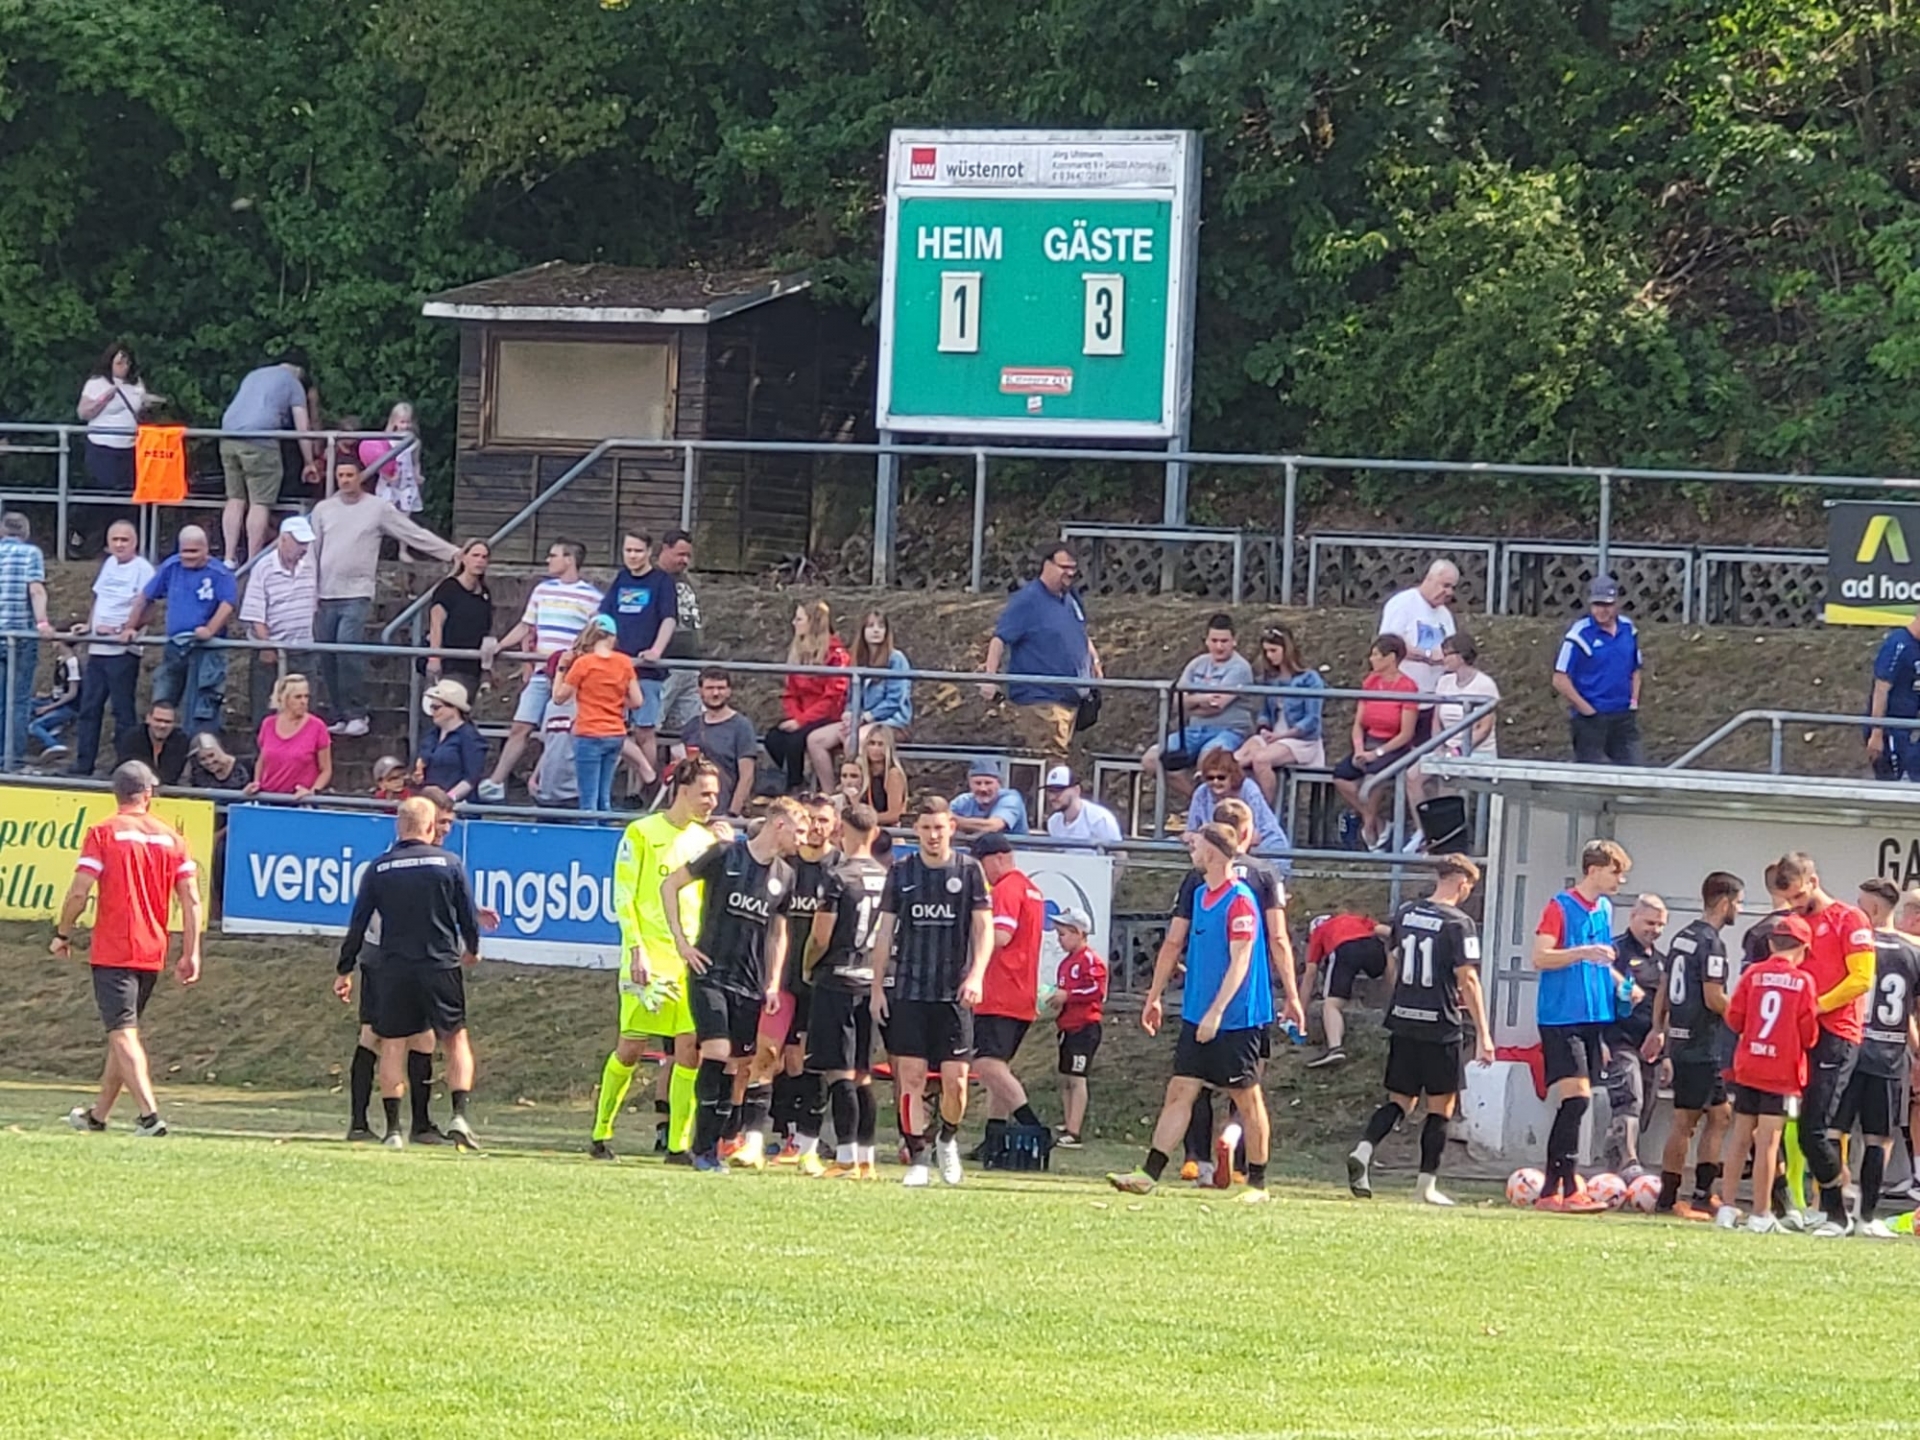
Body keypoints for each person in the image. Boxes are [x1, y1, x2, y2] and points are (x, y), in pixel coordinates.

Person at [1108, 822, 1277, 1204]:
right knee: (1180, 1090)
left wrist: (1217, 1012)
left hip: (1236, 1018)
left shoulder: (1240, 900)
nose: (1191, 850)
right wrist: (1155, 996)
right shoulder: (1200, 894)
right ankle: (1149, 1174)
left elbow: (1241, 962)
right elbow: (1178, 946)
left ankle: (1258, 1185)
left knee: (1246, 1098)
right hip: (1197, 1012)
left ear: (1212, 852)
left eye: (1196, 845)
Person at [53, 761, 202, 1138]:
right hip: (153, 948)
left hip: (114, 947)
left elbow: (79, 892)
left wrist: (63, 932)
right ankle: (98, 1116)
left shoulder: (104, 832)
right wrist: (191, 951)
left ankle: (150, 1116)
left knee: (121, 1032)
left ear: (115, 793)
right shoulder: (172, 838)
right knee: (125, 1032)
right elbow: (191, 899)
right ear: (148, 793)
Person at [661, 796, 804, 1173]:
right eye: (799, 830)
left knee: (737, 1065)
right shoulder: (725, 854)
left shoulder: (786, 876)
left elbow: (779, 933)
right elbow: (670, 885)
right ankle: (702, 1147)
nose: (802, 839)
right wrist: (682, 943)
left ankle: (715, 1143)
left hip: (750, 982)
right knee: (717, 1049)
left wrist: (772, 982)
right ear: (779, 825)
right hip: (710, 972)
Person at [334, 796, 484, 1150]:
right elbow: (466, 914)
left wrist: (344, 968)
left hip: (393, 967)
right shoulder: (449, 863)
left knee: (393, 1043)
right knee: (455, 1039)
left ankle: (392, 1130)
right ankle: (459, 1115)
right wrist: (472, 947)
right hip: (440, 964)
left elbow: (358, 922)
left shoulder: (379, 868)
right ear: (430, 826)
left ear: (398, 826)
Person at [595, 756, 725, 1162]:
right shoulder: (641, 833)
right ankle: (601, 1133)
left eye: (715, 795)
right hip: (648, 956)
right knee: (631, 1048)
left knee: (689, 1050)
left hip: (690, 958)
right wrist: (636, 949)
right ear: (682, 791)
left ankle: (677, 1145)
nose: (712, 802)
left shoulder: (706, 842)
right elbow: (624, 895)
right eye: (705, 793)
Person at [1346, 855, 1491, 1206]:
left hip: (1404, 1017)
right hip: (1439, 1023)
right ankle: (1425, 1186)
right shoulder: (1459, 923)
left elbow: (1394, 959)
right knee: (1441, 1107)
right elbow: (1468, 979)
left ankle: (1364, 1148)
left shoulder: (1407, 913)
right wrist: (1484, 1033)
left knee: (1400, 1100)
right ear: (1462, 883)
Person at [870, 798, 995, 1187]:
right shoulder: (902, 871)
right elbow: (884, 931)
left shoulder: (969, 871)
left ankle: (947, 1138)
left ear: (951, 828)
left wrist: (976, 975)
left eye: (939, 827)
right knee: (910, 1077)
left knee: (956, 1082)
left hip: (953, 994)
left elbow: (984, 929)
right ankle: (918, 1156)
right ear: (916, 830)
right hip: (910, 991)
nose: (933, 835)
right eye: (925, 828)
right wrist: (877, 986)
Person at [310, 456, 457, 736]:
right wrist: (311, 590)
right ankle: (339, 713)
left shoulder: (377, 508)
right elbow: (312, 551)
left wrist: (451, 552)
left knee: (347, 649)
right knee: (327, 657)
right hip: (326, 593)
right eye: (340, 475)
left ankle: (357, 712)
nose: (345, 480)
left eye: (350, 475)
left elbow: (412, 533)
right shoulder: (323, 509)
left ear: (360, 477)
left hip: (357, 593)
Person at [1771, 850, 1875, 1235]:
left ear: (1813, 882)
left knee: (1815, 1128)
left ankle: (1836, 1212)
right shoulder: (1794, 923)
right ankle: (1799, 1206)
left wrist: (1817, 1005)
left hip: (1837, 1032)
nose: (1795, 905)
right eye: (1789, 900)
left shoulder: (1850, 918)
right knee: (1780, 1122)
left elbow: (1861, 978)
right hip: (1799, 1034)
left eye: (1799, 896)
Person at [1531, 838, 1632, 1212]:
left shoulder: (1604, 908)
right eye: (1615, 872)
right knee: (1577, 1100)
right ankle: (1565, 1187)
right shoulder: (1559, 906)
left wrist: (1621, 984)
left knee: (1577, 1103)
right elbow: (1540, 957)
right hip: (1561, 1016)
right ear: (1594, 870)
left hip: (1593, 1017)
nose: (1620, 880)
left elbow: (1600, 960)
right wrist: (1582, 952)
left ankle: (1555, 1190)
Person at [1709, 916, 1820, 1233]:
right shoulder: (1803, 981)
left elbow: (1734, 1019)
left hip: (1749, 1066)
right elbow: (1809, 1033)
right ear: (1804, 947)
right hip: (1782, 1072)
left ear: (1771, 943)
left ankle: (1728, 1207)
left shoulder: (1753, 974)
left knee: (1740, 1138)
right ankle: (1761, 1212)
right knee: (1769, 1143)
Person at [1642, 871, 1743, 1219]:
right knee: (1686, 1120)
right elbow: (1714, 998)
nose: (1739, 909)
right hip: (1700, 1043)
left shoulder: (1682, 937)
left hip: (1686, 1040)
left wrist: (1659, 1028)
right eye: (1738, 903)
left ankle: (1703, 1194)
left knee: (1720, 1114)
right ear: (1725, 902)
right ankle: (1668, 1199)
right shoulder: (1711, 944)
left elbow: (1664, 986)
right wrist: (1747, 1020)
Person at [800, 803, 890, 1178]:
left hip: (837, 979)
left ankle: (845, 1157)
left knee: (839, 1072)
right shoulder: (886, 877)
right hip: (870, 981)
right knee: (863, 1074)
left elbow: (821, 935)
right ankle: (867, 1159)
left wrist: (808, 964)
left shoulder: (838, 877)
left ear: (843, 831)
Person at [478, 540, 602, 800]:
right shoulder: (542, 590)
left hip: (569, 675)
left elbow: (594, 637)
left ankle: (549, 785)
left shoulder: (593, 597)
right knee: (520, 725)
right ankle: (496, 783)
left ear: (569, 559)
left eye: (553, 555)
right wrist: (501, 645)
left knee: (558, 731)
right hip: (540, 672)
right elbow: (526, 625)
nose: (548, 560)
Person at [1841, 881, 1920, 1236]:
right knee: (1879, 1138)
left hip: (1850, 1048)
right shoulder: (1911, 952)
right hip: (1889, 1055)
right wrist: (1916, 1052)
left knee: (1833, 1131)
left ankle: (1829, 1209)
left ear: (1871, 909)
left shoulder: (1855, 945)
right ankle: (1866, 1216)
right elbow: (1912, 1011)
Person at [970, 833, 1050, 1162]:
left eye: (982, 864)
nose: (982, 873)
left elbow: (1001, 935)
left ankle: (1033, 1126)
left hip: (1000, 991)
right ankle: (995, 1136)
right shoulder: (1031, 889)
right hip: (1021, 991)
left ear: (999, 858)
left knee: (986, 1064)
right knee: (999, 1068)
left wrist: (971, 934)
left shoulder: (1005, 889)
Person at [980, 545, 1102, 760]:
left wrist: (1095, 662)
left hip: (1072, 700)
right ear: (1047, 565)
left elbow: (1080, 632)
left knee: (1048, 764)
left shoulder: (1071, 598)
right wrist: (990, 678)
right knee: (1049, 761)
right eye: (1064, 567)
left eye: (1073, 568)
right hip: (1041, 699)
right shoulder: (1028, 600)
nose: (1070, 573)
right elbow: (999, 639)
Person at [121, 526, 236, 738]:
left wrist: (210, 629)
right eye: (184, 551)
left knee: (203, 705)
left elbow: (227, 604)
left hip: (207, 650)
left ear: (206, 549)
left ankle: (200, 752)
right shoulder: (171, 566)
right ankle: (160, 750)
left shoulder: (220, 573)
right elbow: (145, 596)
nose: (188, 556)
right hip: (175, 646)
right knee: (163, 698)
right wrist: (130, 626)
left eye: (194, 551)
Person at [68, 520, 153, 778]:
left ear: (135, 542)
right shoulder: (108, 565)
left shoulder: (143, 569)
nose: (119, 544)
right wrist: (89, 625)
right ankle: (83, 765)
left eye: (124, 540)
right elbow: (100, 599)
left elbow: (148, 608)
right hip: (97, 650)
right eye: (115, 539)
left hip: (123, 652)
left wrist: (125, 629)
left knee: (122, 711)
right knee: (89, 709)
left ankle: (124, 767)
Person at [1144, 613, 1257, 799]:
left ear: (1234, 641)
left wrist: (1191, 701)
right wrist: (1202, 700)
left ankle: (1212, 805)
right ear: (1206, 641)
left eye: (1224, 641)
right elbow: (1176, 702)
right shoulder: (1197, 664)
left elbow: (1217, 704)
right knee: (1151, 759)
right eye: (1214, 640)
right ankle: (1196, 799)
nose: (1219, 646)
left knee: (1209, 760)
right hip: (1193, 730)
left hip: (1229, 730)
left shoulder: (1240, 668)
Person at [220, 351, 317, 566]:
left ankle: (228, 558)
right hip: (260, 441)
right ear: (300, 371)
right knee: (259, 503)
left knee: (235, 499)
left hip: (227, 437)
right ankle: (253, 561)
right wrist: (309, 462)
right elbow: (303, 428)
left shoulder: (255, 374)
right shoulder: (293, 383)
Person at [598, 532, 677, 791]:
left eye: (638, 551)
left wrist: (656, 650)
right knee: (610, 729)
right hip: (615, 667)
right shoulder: (621, 578)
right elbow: (604, 617)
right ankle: (613, 786)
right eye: (628, 550)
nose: (632, 556)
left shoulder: (662, 581)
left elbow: (668, 619)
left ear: (649, 552)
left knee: (645, 731)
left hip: (646, 671)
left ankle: (644, 789)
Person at [1331, 634, 1420, 851]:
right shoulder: (1370, 682)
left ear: (1391, 658)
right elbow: (1359, 723)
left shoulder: (1407, 687)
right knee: (1341, 775)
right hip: (1369, 741)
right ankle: (1376, 822)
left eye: (1376, 655)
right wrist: (1359, 748)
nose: (1371, 659)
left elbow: (1406, 733)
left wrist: (1377, 753)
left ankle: (1369, 829)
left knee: (1374, 776)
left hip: (1393, 745)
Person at [1602, 893, 1667, 1176]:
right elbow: (1596, 993)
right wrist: (1599, 1041)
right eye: (1650, 922)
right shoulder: (1613, 952)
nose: (1655, 929)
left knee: (1645, 1109)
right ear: (1633, 917)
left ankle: (1617, 1164)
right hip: (1619, 1041)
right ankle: (1627, 1163)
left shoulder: (1662, 962)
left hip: (1650, 1048)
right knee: (1629, 1099)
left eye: (1660, 925)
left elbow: (1665, 1009)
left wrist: (1666, 1054)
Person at [809, 608, 913, 785]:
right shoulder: (857, 658)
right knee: (815, 739)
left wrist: (864, 718)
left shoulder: (896, 659)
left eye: (880, 626)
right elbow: (852, 696)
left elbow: (895, 700)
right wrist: (849, 714)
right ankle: (829, 793)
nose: (875, 630)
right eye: (870, 626)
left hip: (891, 722)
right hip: (861, 719)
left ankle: (859, 791)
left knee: (854, 740)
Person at [552, 615, 643, 813]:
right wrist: (616, 701)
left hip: (588, 732)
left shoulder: (583, 663)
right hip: (615, 733)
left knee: (588, 799)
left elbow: (558, 698)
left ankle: (589, 829)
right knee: (604, 796)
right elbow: (637, 701)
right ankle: (605, 827)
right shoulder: (624, 662)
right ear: (613, 637)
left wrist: (561, 669)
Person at [1553, 574, 1644, 765]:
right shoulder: (1579, 634)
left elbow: (1635, 668)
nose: (1601, 610)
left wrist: (1633, 701)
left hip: (1623, 716)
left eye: (1607, 605)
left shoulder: (1629, 629)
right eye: (1597, 605)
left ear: (1616, 604)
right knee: (1592, 771)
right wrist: (1587, 711)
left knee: (1633, 769)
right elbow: (1560, 678)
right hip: (1591, 719)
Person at [1234, 624, 1326, 806]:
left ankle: (1265, 810)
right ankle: (1238, 798)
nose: (1269, 656)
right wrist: (1264, 727)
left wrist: (1282, 735)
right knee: (1242, 753)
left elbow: (1312, 720)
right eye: (1266, 651)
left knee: (1260, 759)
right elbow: (1266, 712)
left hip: (1300, 740)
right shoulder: (1271, 679)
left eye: (1273, 650)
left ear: (1287, 649)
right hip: (1274, 735)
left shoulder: (1309, 679)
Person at [237, 514, 318, 722]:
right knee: (266, 710)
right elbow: (255, 612)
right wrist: (266, 645)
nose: (303, 548)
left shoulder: (309, 566)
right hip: (272, 650)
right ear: (283, 539)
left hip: (303, 648)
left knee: (305, 709)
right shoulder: (263, 567)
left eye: (305, 543)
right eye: (299, 543)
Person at [764, 601, 849, 792]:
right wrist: (795, 717)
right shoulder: (798, 653)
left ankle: (795, 786)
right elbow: (790, 692)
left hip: (827, 715)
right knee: (773, 738)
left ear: (813, 622)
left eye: (799, 619)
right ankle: (796, 781)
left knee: (795, 740)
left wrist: (801, 721)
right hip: (803, 714)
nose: (794, 623)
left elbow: (833, 697)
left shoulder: (835, 655)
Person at [0, 511, 55, 768]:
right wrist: (42, 622)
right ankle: (14, 759)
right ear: (26, 531)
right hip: (21, 634)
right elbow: (35, 589)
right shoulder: (31, 553)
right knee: (19, 700)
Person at [1049, 906, 1107, 1147]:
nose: (1059, 940)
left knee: (1077, 1077)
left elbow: (1097, 990)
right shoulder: (1065, 964)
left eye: (1063, 934)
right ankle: (1068, 1120)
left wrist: (1069, 996)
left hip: (1085, 1027)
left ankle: (1075, 1131)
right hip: (1067, 1027)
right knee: (1065, 1077)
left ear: (1079, 933)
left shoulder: (1090, 960)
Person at [1379, 560, 1458, 730]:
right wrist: (1427, 656)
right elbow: (1389, 645)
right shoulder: (1403, 603)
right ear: (1429, 579)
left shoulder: (1445, 615)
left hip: (1433, 699)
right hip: (1402, 697)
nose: (1449, 592)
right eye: (1445, 585)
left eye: (1452, 587)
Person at [1302, 911, 1388, 1068]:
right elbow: (1384, 930)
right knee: (1389, 962)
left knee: (1332, 1004)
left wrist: (1300, 1009)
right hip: (1372, 945)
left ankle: (1335, 1048)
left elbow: (1311, 972)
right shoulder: (1351, 918)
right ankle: (1396, 999)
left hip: (1344, 949)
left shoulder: (1319, 931)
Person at [77, 342, 163, 497]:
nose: (124, 367)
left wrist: (155, 403)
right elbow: (83, 413)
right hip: (103, 448)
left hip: (130, 447)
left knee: (128, 493)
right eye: (119, 363)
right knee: (106, 494)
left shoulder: (136, 383)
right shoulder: (97, 383)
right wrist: (104, 399)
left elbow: (140, 405)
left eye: (128, 363)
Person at [680, 667, 759, 816]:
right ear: (700, 691)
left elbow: (747, 776)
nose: (715, 693)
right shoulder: (691, 726)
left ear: (729, 691)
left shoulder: (741, 726)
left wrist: (732, 813)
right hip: (692, 811)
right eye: (710, 688)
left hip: (725, 811)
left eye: (721, 688)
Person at [1184, 750, 1288, 857]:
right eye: (1210, 778)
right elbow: (1190, 831)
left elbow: (1254, 837)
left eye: (1221, 777)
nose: (1215, 782)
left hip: (1266, 850)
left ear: (1232, 776)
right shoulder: (1201, 793)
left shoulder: (1249, 790)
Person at [425, 540, 493, 699]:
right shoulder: (448, 588)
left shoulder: (485, 593)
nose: (480, 560)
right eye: (475, 555)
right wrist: (434, 657)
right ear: (464, 558)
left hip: (473, 664)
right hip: (449, 662)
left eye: (484, 557)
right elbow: (436, 624)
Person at [246, 674, 332, 798]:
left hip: (300, 800)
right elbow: (262, 760)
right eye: (298, 697)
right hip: (268, 797)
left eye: (306, 696)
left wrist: (312, 791)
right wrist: (256, 782)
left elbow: (326, 769)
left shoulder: (317, 727)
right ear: (284, 699)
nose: (303, 701)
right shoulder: (268, 724)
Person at [654, 529, 705, 737]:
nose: (685, 560)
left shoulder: (685, 580)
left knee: (693, 729)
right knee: (652, 723)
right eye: (680, 554)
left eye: (688, 556)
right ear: (665, 549)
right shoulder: (654, 579)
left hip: (691, 665)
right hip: (666, 665)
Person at [358, 402, 426, 551]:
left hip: (406, 483)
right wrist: (387, 476)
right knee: (382, 515)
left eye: (408, 422)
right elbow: (378, 463)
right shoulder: (386, 441)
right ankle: (374, 548)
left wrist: (417, 475)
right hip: (389, 483)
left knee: (405, 519)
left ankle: (403, 550)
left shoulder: (414, 442)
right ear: (394, 421)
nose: (405, 426)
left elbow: (415, 462)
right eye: (402, 422)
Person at [1866, 610, 1920, 780]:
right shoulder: (1898, 644)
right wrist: (1876, 731)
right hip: (1889, 728)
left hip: (1907, 727)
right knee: (1893, 780)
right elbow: (1881, 689)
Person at [413, 679, 486, 800]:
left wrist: (448, 798)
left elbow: (472, 778)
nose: (432, 712)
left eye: (437, 707)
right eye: (431, 707)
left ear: (454, 709)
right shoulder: (432, 734)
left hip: (460, 806)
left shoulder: (470, 737)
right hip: (429, 802)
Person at [1432, 633, 1500, 758]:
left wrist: (1458, 751)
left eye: (1447, 654)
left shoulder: (1485, 684)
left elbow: (1484, 729)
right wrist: (1438, 748)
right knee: (1413, 769)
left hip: (1479, 752)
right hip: (1447, 750)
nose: (1443, 659)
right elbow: (1436, 722)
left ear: (1461, 656)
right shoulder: (1443, 682)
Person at [30, 635, 82, 760]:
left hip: (68, 706)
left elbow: (72, 693)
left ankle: (54, 744)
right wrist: (48, 696)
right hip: (56, 700)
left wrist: (49, 708)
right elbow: (60, 688)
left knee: (34, 726)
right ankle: (53, 731)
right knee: (28, 704)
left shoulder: (72, 663)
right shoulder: (60, 660)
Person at [947, 757, 1029, 837]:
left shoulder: (1011, 799)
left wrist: (953, 820)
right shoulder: (962, 801)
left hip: (1013, 846)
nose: (983, 788)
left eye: (988, 783)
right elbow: (943, 820)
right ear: (970, 784)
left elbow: (992, 826)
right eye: (978, 783)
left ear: (999, 784)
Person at [1043, 765, 1123, 845]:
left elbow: (1118, 851)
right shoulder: (1053, 822)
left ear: (1076, 790)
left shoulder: (1099, 820)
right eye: (1050, 791)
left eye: (1059, 791)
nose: (1052, 797)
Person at [117, 702, 188, 786]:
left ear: (174, 724)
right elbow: (130, 768)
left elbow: (172, 775)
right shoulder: (133, 737)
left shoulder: (181, 741)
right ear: (148, 719)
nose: (162, 725)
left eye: (167, 722)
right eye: (158, 720)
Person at [855, 724, 909, 827]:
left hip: (887, 830)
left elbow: (895, 814)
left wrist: (864, 819)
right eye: (872, 743)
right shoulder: (862, 770)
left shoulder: (893, 774)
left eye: (880, 744)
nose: (875, 749)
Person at [186, 730, 251, 791]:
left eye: (211, 755)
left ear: (219, 750)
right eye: (202, 759)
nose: (209, 761)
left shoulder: (247, 766)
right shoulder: (199, 775)